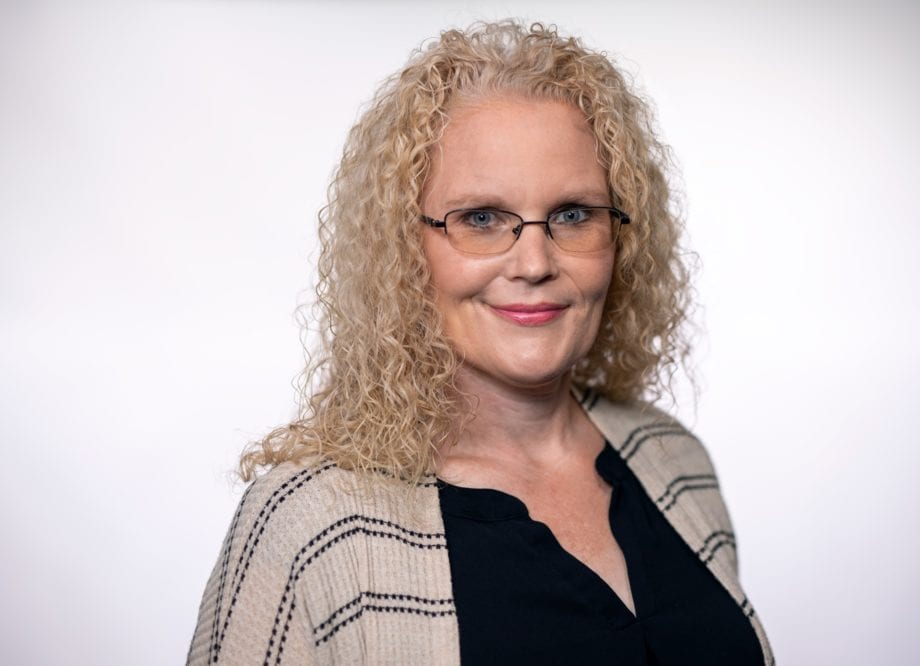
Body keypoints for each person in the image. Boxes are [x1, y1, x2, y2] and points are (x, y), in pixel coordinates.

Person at [188, 20, 772, 665]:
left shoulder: (671, 461)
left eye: (573, 214)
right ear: (404, 250)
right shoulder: (314, 520)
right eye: (482, 219)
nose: (533, 263)